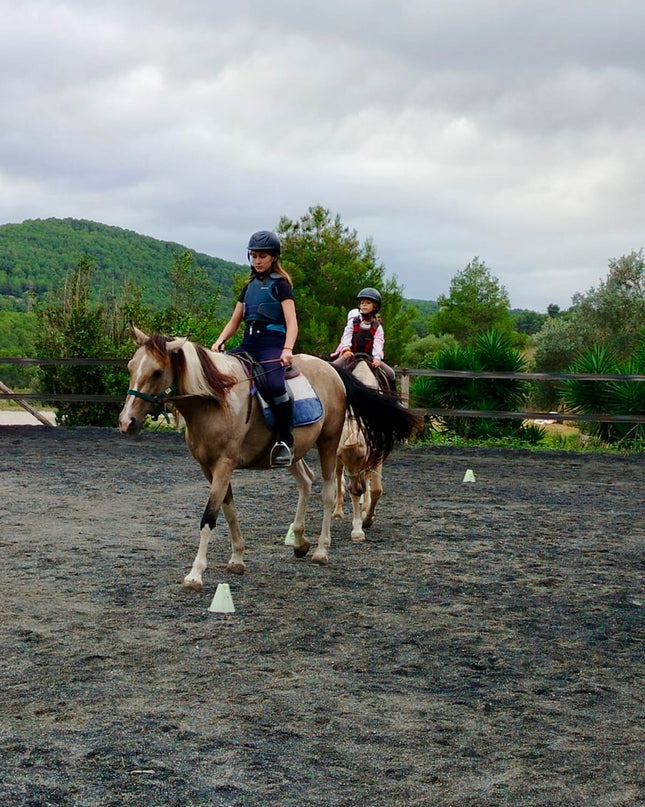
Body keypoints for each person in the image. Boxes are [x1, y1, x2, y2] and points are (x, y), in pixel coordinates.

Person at [211, 230, 298, 467]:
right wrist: (220, 341)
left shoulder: (281, 285)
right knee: (218, 375)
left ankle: (285, 441)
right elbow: (234, 321)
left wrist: (287, 349)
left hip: (272, 344)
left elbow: (292, 322)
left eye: (263, 256)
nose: (258, 261)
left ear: (274, 257)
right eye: (254, 256)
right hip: (248, 343)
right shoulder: (248, 286)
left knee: (275, 385)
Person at [331, 287, 397, 392]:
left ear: (375, 306)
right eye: (362, 303)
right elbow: (346, 336)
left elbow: (378, 343)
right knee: (332, 368)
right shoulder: (353, 322)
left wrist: (377, 358)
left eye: (368, 303)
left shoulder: (377, 327)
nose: (364, 305)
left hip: (370, 357)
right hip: (351, 355)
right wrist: (346, 349)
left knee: (391, 374)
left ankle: (394, 398)